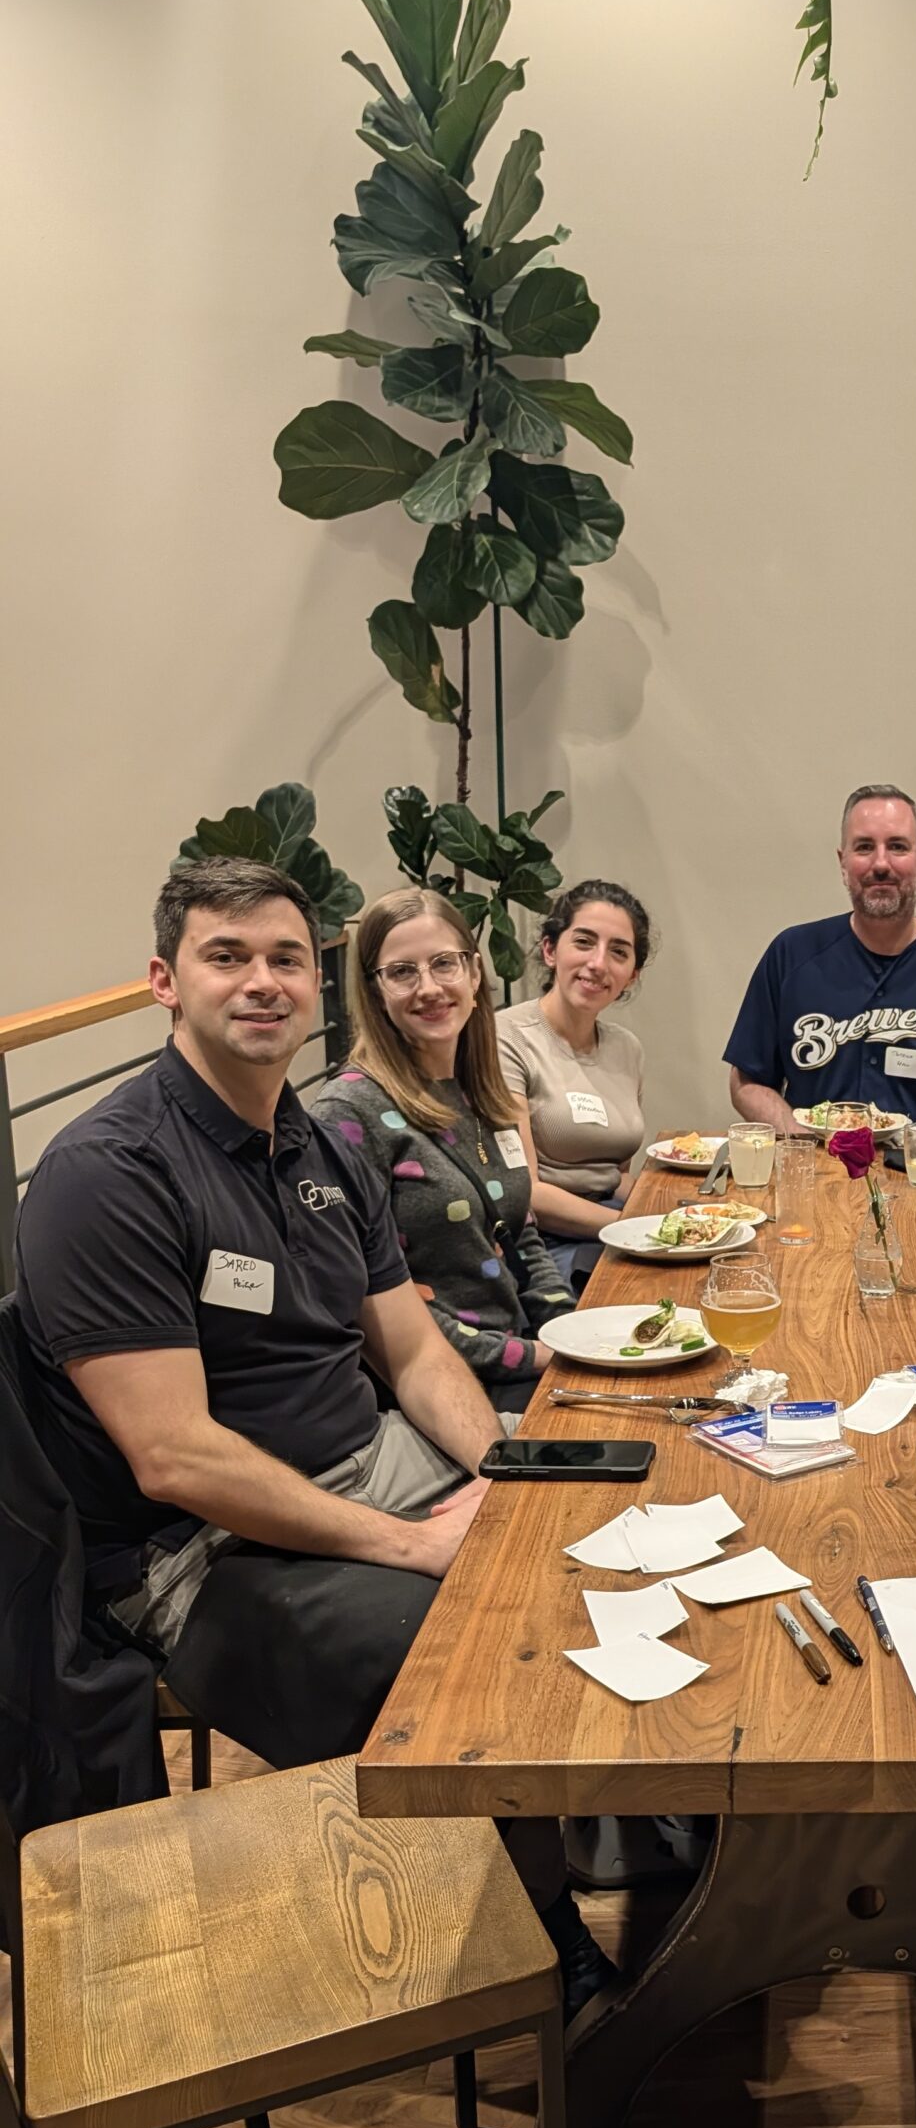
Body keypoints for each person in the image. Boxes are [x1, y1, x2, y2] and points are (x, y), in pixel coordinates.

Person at [12, 859, 617, 2014]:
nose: (263, 981)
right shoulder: (109, 1173)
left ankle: (631, 1832)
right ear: (164, 981)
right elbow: (174, 1456)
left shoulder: (319, 1143)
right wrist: (416, 1543)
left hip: (370, 1461)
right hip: (197, 1549)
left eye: (285, 957)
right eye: (226, 957)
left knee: (591, 1519)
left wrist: (503, 1473)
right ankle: (547, 1956)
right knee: (463, 1653)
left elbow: (413, 1354)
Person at [311, 890, 574, 1414]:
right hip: (443, 1391)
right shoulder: (348, 1111)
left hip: (521, 1360)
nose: (428, 988)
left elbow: (520, 1231)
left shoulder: (482, 1088)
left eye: (444, 964)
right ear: (375, 991)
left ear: (474, 973)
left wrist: (571, 1329)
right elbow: (370, 1301)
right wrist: (534, 1357)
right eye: (402, 972)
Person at [724, 784, 916, 1136]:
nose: (881, 864)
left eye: (897, 846)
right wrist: (799, 1137)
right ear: (843, 863)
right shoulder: (791, 955)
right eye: (865, 847)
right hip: (812, 1164)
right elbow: (747, 1082)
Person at [497, 878, 653, 1288]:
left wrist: (673, 1212)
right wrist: (636, 1228)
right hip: (543, 1243)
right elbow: (525, 1191)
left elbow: (612, 1175)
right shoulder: (506, 1037)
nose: (599, 963)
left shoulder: (627, 1048)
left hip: (609, 1226)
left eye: (618, 952)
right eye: (584, 942)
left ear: (632, 975)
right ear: (550, 950)